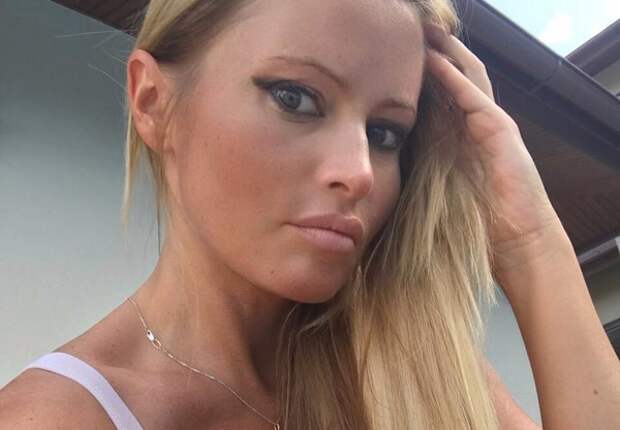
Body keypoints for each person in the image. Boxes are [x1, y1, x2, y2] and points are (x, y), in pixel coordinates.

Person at [2, 0, 619, 428]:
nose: (359, 172)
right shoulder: (62, 416)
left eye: (385, 132)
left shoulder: (417, 375)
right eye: (295, 98)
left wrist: (531, 242)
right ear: (152, 101)